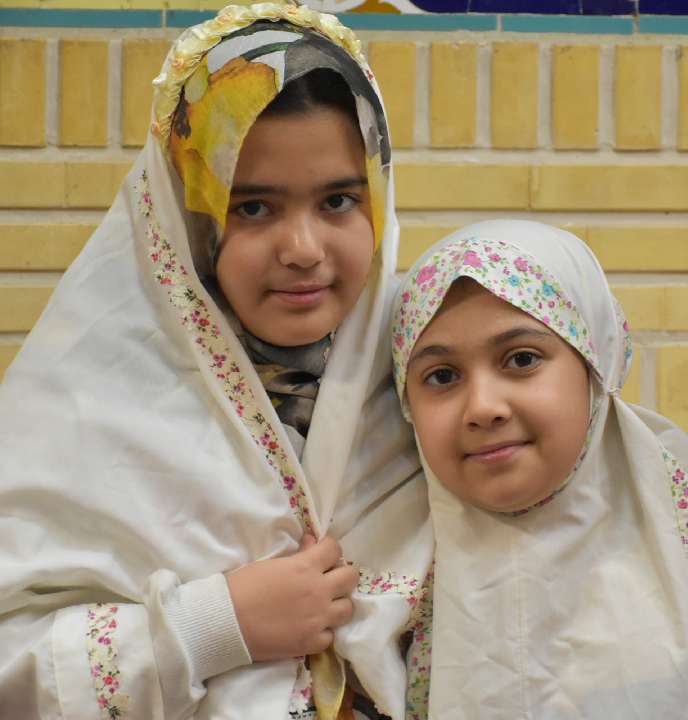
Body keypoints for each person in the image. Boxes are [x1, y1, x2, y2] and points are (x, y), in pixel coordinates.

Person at [0, 5, 419, 718]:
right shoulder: (82, 403)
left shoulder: (430, 377)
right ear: (187, 218)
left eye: (339, 200)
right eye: (252, 208)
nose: (303, 249)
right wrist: (211, 627)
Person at [350, 220, 688, 719]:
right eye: (441, 376)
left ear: (595, 364)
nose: (483, 407)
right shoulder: (374, 584)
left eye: (521, 359)